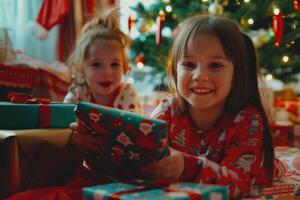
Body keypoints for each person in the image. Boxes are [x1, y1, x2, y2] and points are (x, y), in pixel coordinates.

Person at [6, 6, 143, 200]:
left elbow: (136, 135)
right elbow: (62, 131)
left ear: (125, 68)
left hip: (126, 176)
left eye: (115, 64)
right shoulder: (78, 92)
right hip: (87, 173)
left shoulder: (127, 92)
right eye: (97, 64)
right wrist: (73, 136)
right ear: (81, 69)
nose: (107, 72)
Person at [140, 14, 275, 199]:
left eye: (215, 65)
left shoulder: (247, 119)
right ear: (174, 71)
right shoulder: (168, 110)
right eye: (188, 64)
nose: (199, 76)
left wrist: (186, 167)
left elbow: (238, 185)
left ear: (237, 74)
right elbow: (141, 156)